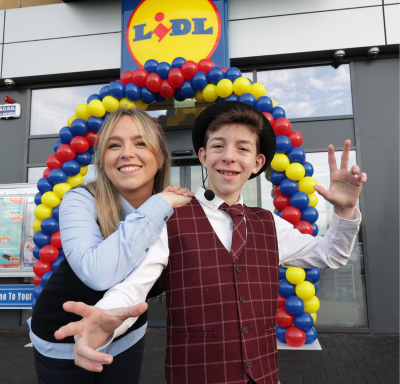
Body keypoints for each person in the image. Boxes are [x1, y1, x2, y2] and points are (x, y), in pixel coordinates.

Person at [55, 102, 367, 384]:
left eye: (242, 149)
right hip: (196, 375)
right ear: (203, 156)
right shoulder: (170, 217)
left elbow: (332, 254)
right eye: (218, 146)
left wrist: (343, 210)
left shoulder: (269, 223)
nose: (229, 156)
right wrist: (105, 320)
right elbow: (133, 286)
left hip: (264, 376)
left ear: (257, 162)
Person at [29, 108, 194, 384]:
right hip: (62, 337)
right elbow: (98, 273)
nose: (127, 153)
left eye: (140, 143)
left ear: (161, 156)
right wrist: (159, 205)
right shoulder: (80, 199)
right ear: (103, 159)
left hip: (126, 333)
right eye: (114, 145)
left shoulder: (176, 209)